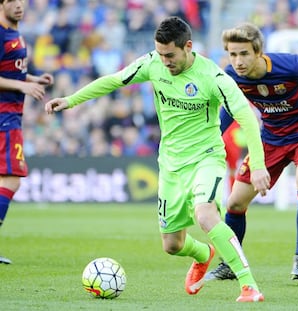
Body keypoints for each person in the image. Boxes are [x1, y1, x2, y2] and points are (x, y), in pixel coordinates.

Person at [44, 16, 270, 302]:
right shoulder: (152, 62)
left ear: (188, 46)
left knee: (205, 214)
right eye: (160, 54)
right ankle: (204, 253)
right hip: (171, 165)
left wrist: (259, 164)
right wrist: (71, 100)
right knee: (172, 245)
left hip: (206, 159)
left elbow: (247, 118)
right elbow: (115, 80)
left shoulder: (213, 77)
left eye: (170, 55)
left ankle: (248, 286)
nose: (164, 61)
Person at [205, 22, 298, 284]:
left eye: (244, 54)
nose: (237, 61)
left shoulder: (291, 65)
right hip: (271, 137)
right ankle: (230, 263)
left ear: (259, 51)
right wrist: (212, 137)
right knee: (235, 203)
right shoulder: (231, 76)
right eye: (232, 54)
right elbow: (229, 108)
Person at [0, 0, 54, 264]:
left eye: (22, 0)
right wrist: (22, 88)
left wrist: (33, 79)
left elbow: (11, 71)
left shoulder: (15, 31)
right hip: (4, 117)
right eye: (12, 1)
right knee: (11, 179)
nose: (20, 5)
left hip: (11, 115)